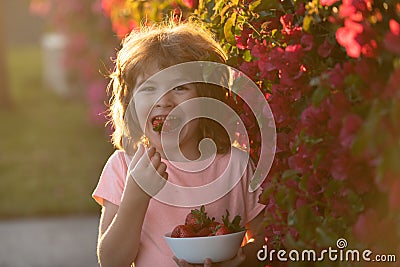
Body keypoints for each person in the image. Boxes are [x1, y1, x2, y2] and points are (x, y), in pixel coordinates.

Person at [92, 20, 266, 267]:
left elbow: (268, 241)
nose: (164, 100)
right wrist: (136, 195)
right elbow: (111, 261)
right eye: (149, 88)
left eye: (180, 88)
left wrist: (239, 262)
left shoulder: (235, 165)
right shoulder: (124, 167)